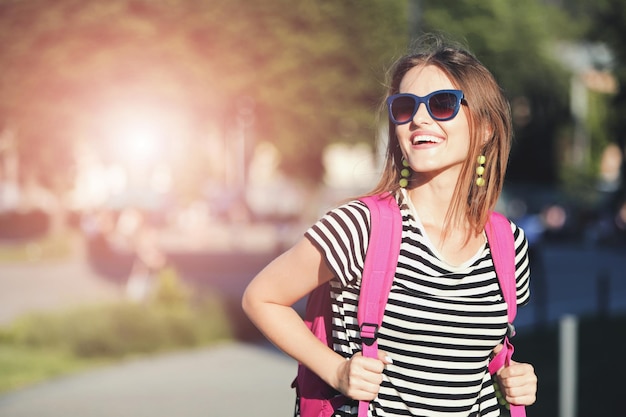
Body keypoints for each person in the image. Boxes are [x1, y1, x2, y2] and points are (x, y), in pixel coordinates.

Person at [242, 35, 538, 417]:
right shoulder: (359, 226)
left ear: (485, 128)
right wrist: (337, 369)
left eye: (443, 104)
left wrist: (514, 375)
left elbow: (473, 347)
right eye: (404, 106)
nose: (419, 118)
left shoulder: (508, 243)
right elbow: (262, 297)